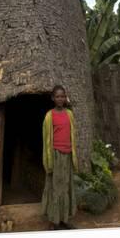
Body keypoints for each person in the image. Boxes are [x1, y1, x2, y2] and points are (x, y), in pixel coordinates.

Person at [41, 85, 79, 230]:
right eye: (57, 96)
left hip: (68, 154)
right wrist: (48, 159)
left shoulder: (69, 114)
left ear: (65, 97)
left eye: (62, 96)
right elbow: (46, 140)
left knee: (66, 186)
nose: (60, 99)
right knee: (55, 187)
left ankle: (65, 219)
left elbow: (73, 135)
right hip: (55, 155)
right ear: (53, 98)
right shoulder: (49, 116)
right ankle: (54, 220)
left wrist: (72, 153)